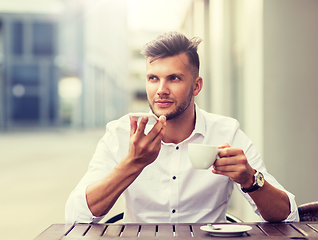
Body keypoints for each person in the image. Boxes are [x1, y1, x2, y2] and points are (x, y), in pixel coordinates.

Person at [65, 32, 299, 223]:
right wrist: (131, 164)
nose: (161, 89)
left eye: (174, 78)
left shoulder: (227, 132)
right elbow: (75, 217)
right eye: (153, 78)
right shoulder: (120, 133)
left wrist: (251, 180)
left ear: (196, 86)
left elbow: (289, 217)